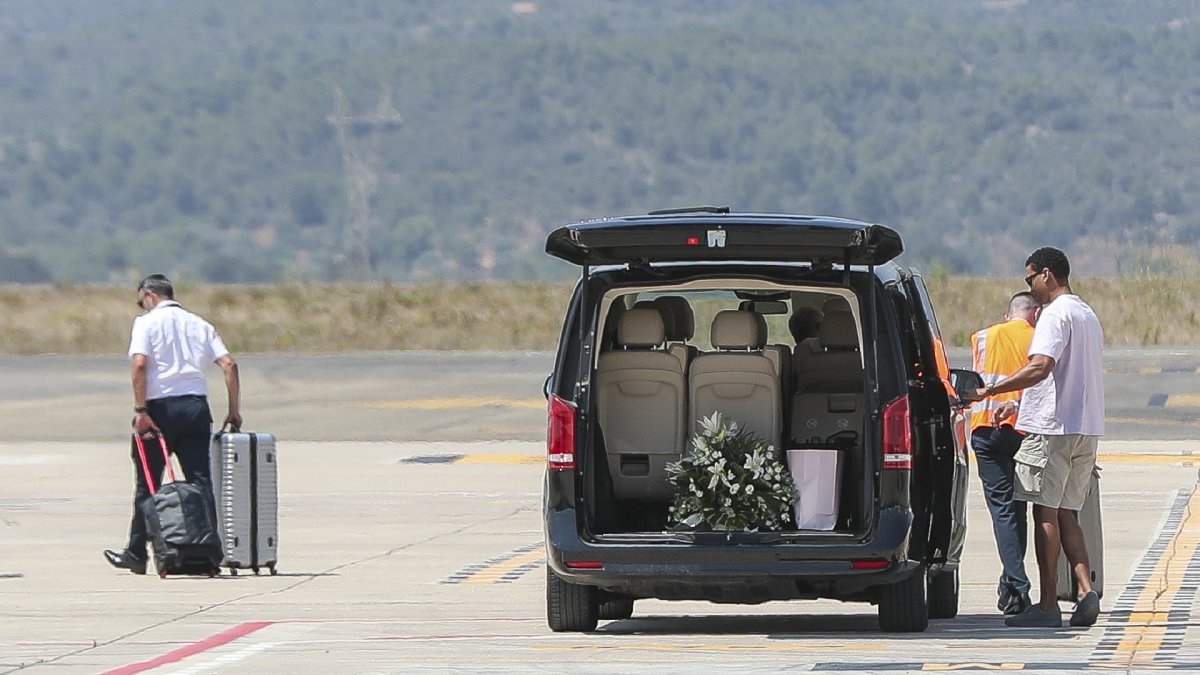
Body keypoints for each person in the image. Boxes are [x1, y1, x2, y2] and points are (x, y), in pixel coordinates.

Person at [967, 247, 1104, 628]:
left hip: (1053, 428)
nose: (1029, 286)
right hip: (1085, 428)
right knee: (1066, 511)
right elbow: (1067, 375)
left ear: (1046, 274)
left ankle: (1046, 605)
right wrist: (1019, 406)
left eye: (1029, 279)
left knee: (1044, 511)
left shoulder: (1054, 315)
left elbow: (1041, 367)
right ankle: (1084, 589)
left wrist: (992, 391)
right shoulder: (1086, 313)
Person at [103, 274, 242, 574]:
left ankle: (137, 552)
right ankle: (209, 552)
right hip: (195, 408)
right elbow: (229, 364)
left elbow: (140, 365)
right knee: (200, 482)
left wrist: (141, 410)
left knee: (148, 484)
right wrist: (234, 411)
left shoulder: (146, 323)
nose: (142, 307)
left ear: (150, 295)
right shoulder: (199, 323)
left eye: (142, 301)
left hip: (159, 409)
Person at [969, 292, 1040, 616]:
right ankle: (1014, 585)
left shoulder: (982, 337)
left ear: (1007, 314)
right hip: (1024, 430)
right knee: (1018, 509)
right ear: (1035, 314)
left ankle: (1013, 586)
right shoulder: (1040, 338)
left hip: (986, 429)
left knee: (1003, 512)